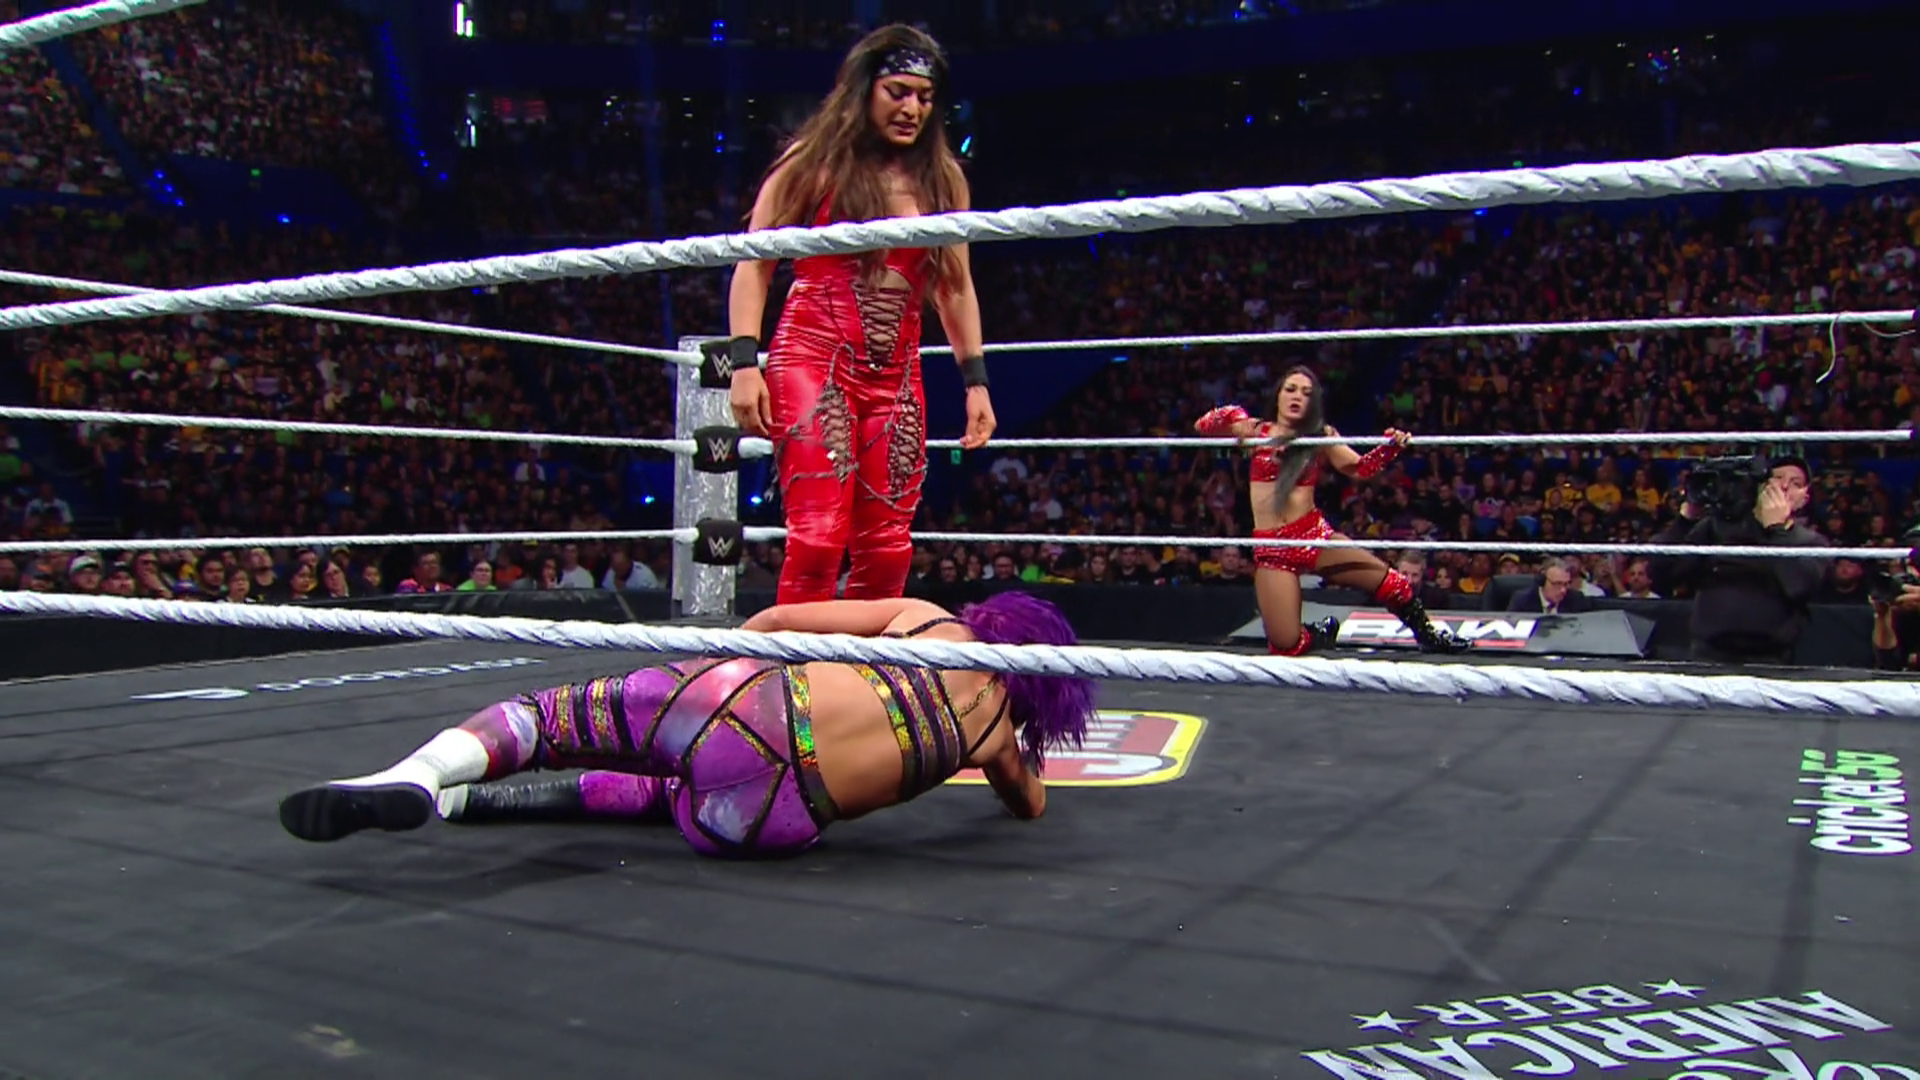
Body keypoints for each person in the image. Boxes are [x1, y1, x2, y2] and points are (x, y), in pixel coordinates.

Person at [277, 593, 1095, 859]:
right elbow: (1030, 805)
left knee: (553, 718)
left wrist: (709, 673)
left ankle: (420, 779)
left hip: (756, 702)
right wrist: (1021, 739)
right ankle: (476, 805)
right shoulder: (996, 742)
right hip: (768, 822)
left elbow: (777, 620)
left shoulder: (927, 620)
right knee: (664, 798)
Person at [721, 24, 997, 606]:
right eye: (898, 92)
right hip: (812, 356)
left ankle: (862, 661)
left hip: (895, 372)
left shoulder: (942, 179)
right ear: (864, 89)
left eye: (924, 97)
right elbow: (753, 265)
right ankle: (796, 660)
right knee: (818, 537)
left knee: (888, 546)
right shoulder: (812, 164)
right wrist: (744, 363)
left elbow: (954, 286)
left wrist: (975, 381)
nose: (912, 108)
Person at [1195, 366, 1466, 655]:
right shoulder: (1257, 433)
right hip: (1272, 548)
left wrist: (1388, 449)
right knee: (1286, 645)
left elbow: (1359, 468)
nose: (1297, 396)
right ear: (1278, 396)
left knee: (1393, 583)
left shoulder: (1320, 436)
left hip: (1313, 535)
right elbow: (1202, 426)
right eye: (1290, 389)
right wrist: (1234, 417)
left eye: (1306, 393)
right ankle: (1320, 633)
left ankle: (1429, 635)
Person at [1647, 456, 1826, 665]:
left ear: (1804, 499)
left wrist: (1776, 530)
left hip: (1770, 660)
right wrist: (1686, 520)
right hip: (1708, 656)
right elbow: (1662, 572)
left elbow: (1800, 587)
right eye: (1778, 478)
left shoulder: (1810, 542)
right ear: (1761, 485)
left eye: (1795, 483)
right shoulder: (1716, 528)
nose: (1784, 486)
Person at [1505, 557, 1596, 614]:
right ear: (1542, 581)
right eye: (1557, 584)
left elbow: (1598, 604)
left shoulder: (1574, 598)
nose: (1563, 590)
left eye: (1566, 584)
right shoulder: (1522, 601)